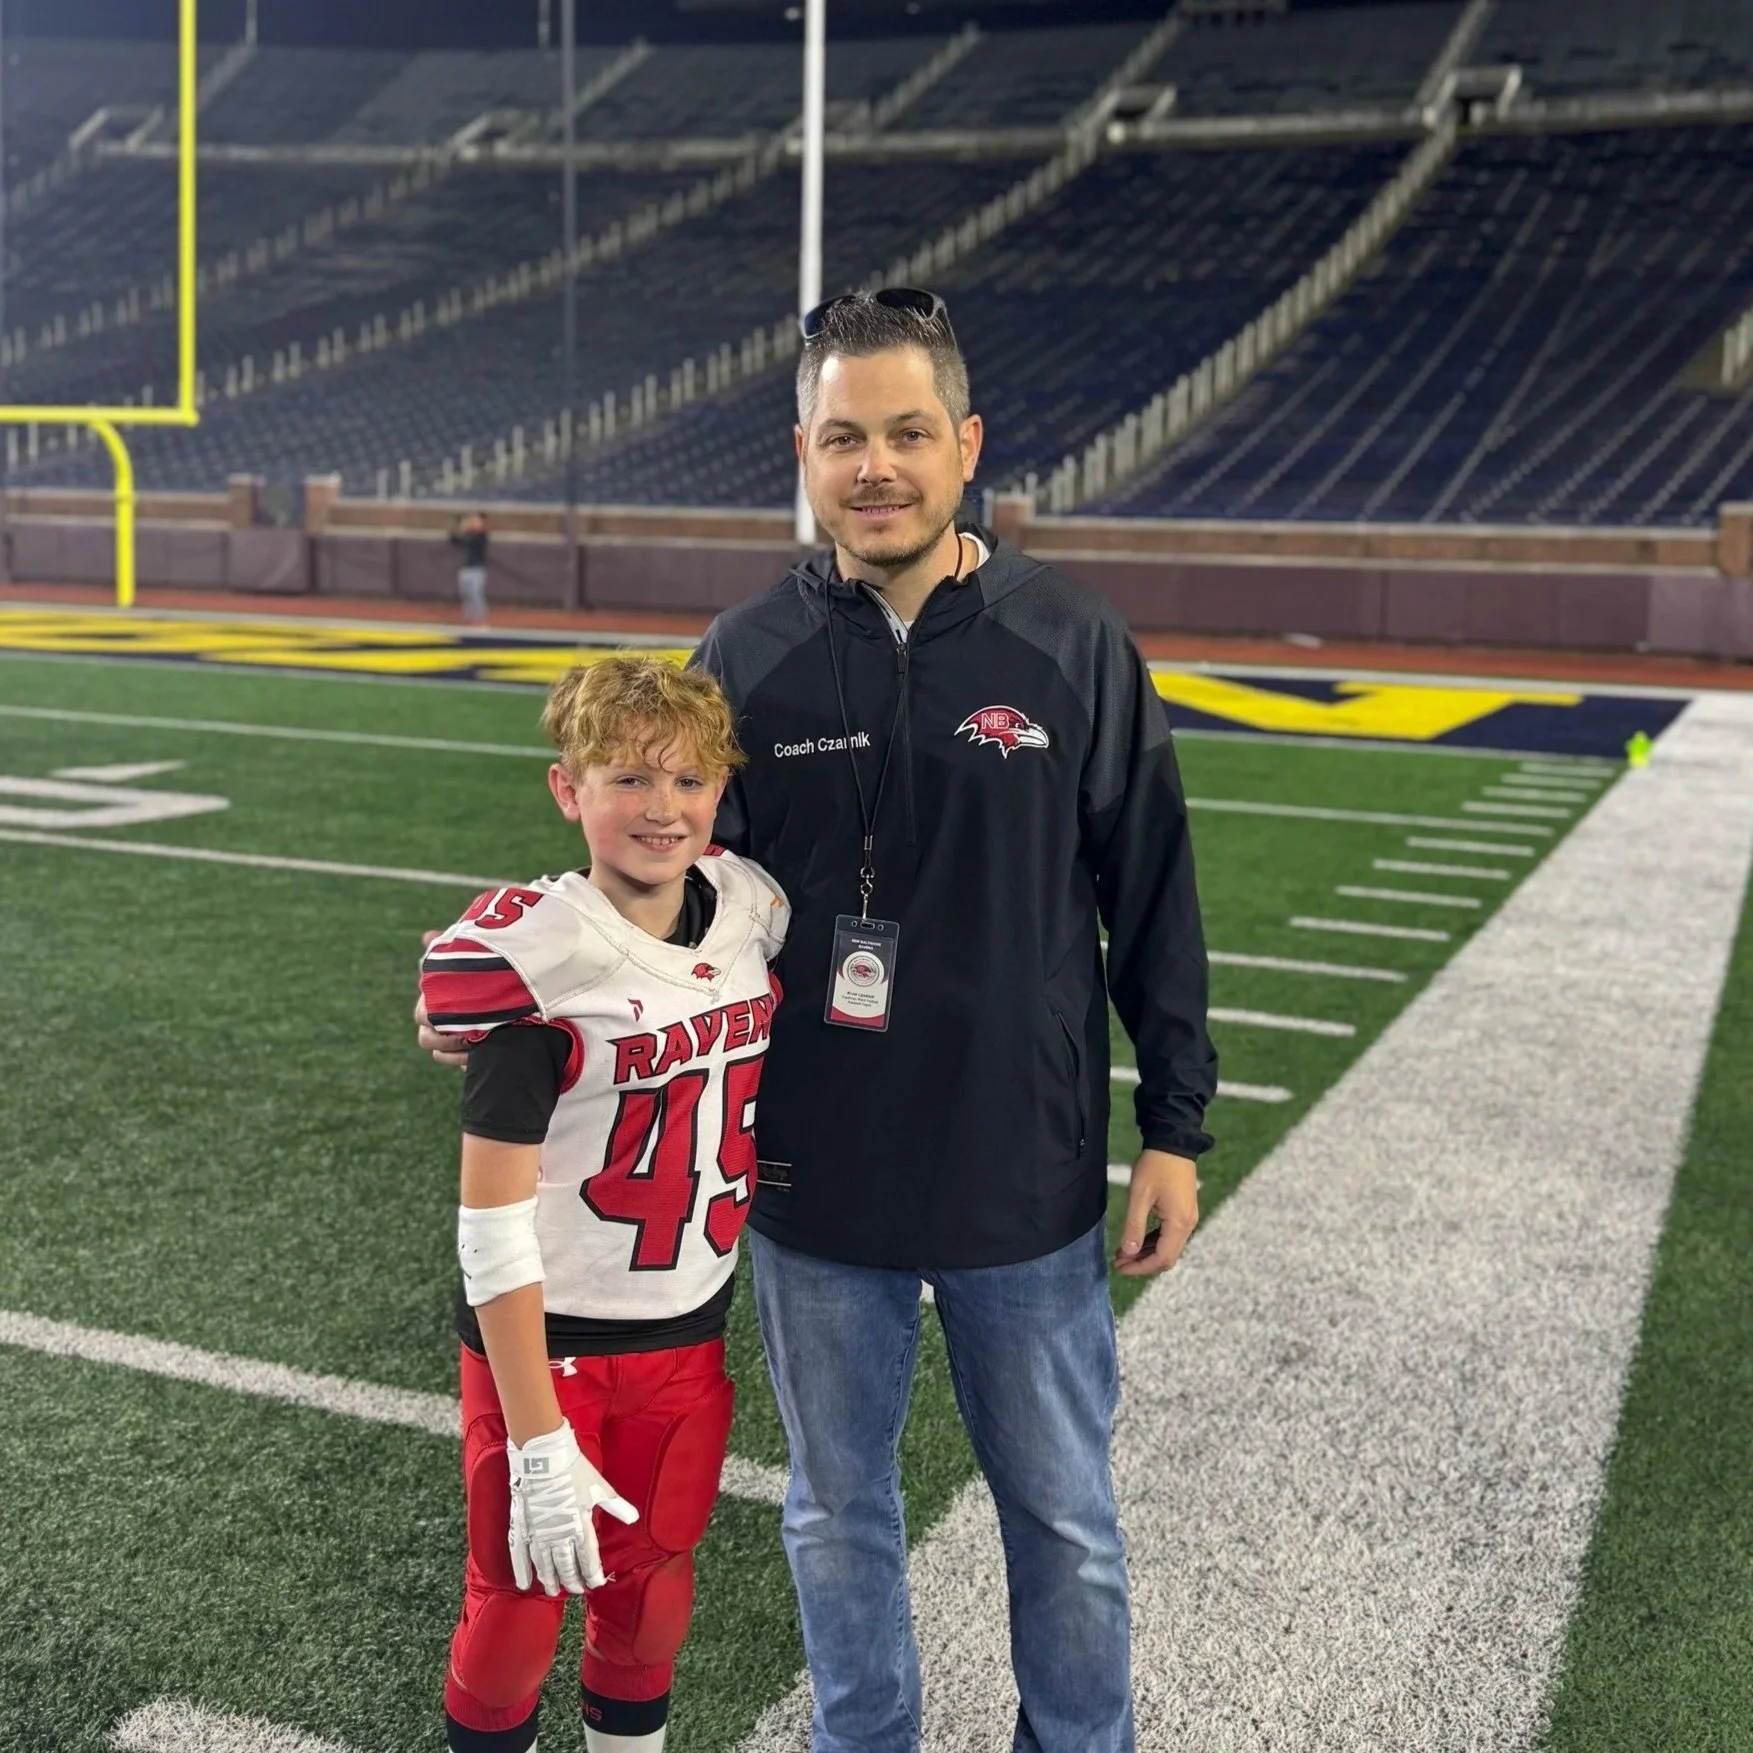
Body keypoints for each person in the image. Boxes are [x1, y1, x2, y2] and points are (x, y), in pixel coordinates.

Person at [423, 286, 1216, 1753]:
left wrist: (1174, 1126)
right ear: (803, 449)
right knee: (839, 1513)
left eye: (909, 432)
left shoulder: (1071, 640)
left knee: (1066, 1519)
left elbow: (1152, 889)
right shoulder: (747, 651)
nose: (878, 465)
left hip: (1018, 1168)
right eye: (845, 435)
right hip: (806, 1180)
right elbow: (665, 870)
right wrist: (514, 979)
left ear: (965, 442)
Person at [418, 655, 789, 1753]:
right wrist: (534, 1436)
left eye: (686, 781)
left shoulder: (751, 906)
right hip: (549, 1341)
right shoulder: (535, 954)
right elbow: (488, 1227)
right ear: (566, 788)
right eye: (627, 779)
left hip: (684, 1327)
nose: (660, 808)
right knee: (520, 1599)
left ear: (719, 792)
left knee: (652, 1590)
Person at [450, 511, 491, 627]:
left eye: (477, 521)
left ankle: (481, 620)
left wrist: (464, 527)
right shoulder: (469, 535)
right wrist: (456, 526)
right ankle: (468, 619)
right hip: (466, 569)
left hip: (477, 570)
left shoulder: (481, 536)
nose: (475, 523)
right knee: (466, 594)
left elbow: (472, 539)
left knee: (476, 595)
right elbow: (456, 540)